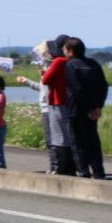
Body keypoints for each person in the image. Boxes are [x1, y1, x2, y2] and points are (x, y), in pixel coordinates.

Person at [63, 37, 109, 178]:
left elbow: (77, 89)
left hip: (77, 109)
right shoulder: (93, 63)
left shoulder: (71, 64)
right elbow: (104, 86)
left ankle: (83, 172)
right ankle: (99, 171)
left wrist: (88, 108)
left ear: (70, 50)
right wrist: (97, 107)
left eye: (65, 49)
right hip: (93, 110)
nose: (63, 51)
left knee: (78, 142)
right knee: (93, 140)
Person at [16, 40, 57, 173]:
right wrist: (27, 81)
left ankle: (55, 167)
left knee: (52, 140)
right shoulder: (47, 69)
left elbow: (48, 89)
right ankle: (55, 166)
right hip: (47, 107)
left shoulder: (52, 68)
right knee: (51, 140)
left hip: (49, 108)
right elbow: (42, 88)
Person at [39, 37, 76, 175]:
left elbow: (47, 79)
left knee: (58, 136)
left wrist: (44, 74)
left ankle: (61, 167)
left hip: (57, 101)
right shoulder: (71, 62)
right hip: (70, 101)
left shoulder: (58, 61)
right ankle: (72, 166)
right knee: (69, 134)